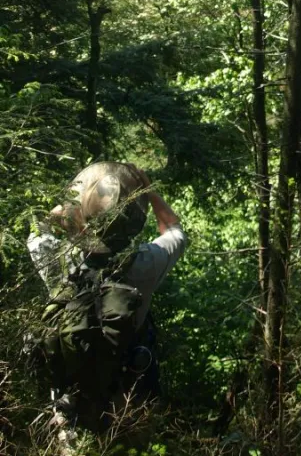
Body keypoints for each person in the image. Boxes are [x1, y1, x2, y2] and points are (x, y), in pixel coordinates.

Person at [28, 161, 187, 439]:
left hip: (71, 404)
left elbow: (37, 227)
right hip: (126, 403)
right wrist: (148, 189)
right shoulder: (144, 264)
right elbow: (175, 231)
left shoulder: (56, 260)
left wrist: (69, 208)